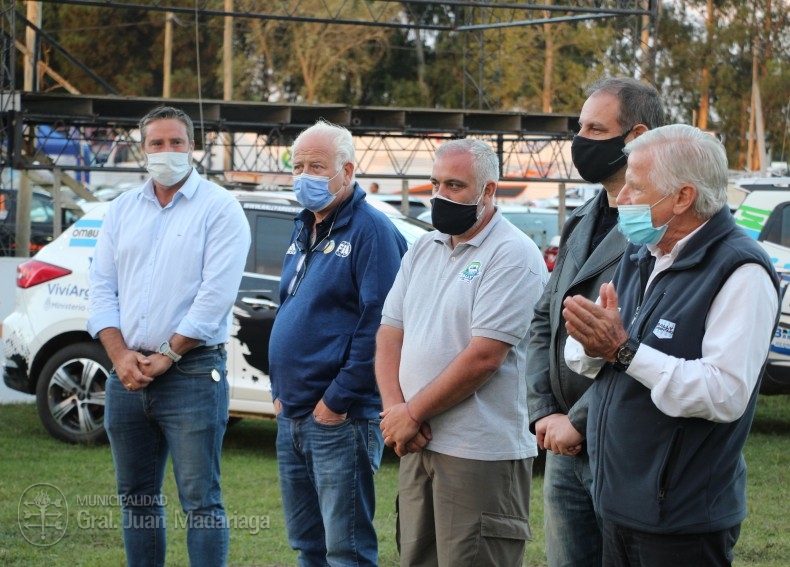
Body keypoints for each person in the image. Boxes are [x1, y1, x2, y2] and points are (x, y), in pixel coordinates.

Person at [562, 124, 780, 566]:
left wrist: (622, 351)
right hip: (618, 505)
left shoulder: (740, 270)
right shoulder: (643, 252)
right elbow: (582, 356)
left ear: (682, 197)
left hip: (682, 521)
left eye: (634, 188)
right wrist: (595, 344)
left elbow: (724, 394)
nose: (620, 199)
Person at [87, 105, 251, 567]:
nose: (167, 151)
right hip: (128, 374)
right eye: (156, 143)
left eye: (176, 142)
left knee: (200, 501)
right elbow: (101, 287)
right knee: (136, 498)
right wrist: (120, 356)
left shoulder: (220, 208)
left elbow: (214, 296)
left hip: (192, 373)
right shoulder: (120, 210)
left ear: (192, 147)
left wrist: (167, 355)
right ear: (142, 151)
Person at [376, 138, 548, 567]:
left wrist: (411, 414)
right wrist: (396, 412)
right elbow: (388, 334)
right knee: (416, 557)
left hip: (479, 453)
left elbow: (484, 357)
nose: (440, 195)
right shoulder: (424, 247)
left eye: (454, 185)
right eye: (434, 183)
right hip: (418, 445)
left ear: (489, 191)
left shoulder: (513, 254)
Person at [526, 77, 664, 567]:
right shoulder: (582, 218)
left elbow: (643, 341)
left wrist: (577, 421)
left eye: (594, 128)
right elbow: (544, 318)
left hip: (616, 443)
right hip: (562, 447)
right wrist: (543, 411)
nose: (579, 140)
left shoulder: (655, 225)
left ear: (636, 135)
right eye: (579, 126)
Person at [268, 120, 407, 567]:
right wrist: (280, 392)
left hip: (339, 420)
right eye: (299, 166)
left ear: (347, 171)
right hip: (292, 414)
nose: (305, 175)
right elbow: (292, 306)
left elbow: (379, 325)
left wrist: (337, 401)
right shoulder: (305, 225)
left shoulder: (372, 231)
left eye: (317, 166)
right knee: (307, 544)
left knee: (346, 550)